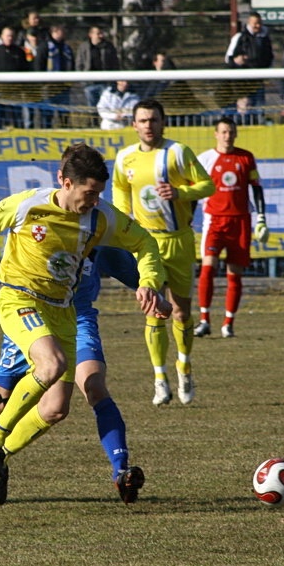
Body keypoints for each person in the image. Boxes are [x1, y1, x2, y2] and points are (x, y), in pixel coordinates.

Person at [0, 144, 167, 498]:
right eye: (88, 193)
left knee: (55, 407)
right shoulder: (29, 204)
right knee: (41, 372)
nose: (94, 200)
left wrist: (149, 282)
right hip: (20, 300)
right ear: (64, 182)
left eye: (98, 193)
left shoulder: (100, 218)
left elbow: (144, 242)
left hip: (62, 312)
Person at [0, 246, 171, 504]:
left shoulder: (100, 225)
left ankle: (121, 471)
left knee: (73, 398)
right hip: (32, 315)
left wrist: (154, 293)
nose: (89, 204)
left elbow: (133, 269)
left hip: (78, 319)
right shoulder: (43, 220)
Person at [112, 99, 215, 406]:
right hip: (146, 245)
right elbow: (119, 189)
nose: (148, 125)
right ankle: (159, 377)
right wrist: (122, 219)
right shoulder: (124, 158)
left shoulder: (178, 153)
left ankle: (184, 366)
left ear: (162, 122)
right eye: (142, 120)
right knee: (153, 310)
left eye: (153, 120)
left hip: (179, 240)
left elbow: (208, 186)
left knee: (181, 311)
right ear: (134, 125)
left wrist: (181, 192)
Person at [194, 118, 267, 340]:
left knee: (234, 274)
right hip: (214, 221)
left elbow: (256, 188)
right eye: (224, 132)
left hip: (240, 222)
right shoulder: (205, 159)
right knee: (207, 268)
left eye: (231, 132)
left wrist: (262, 217)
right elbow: (192, 191)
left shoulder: (246, 157)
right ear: (216, 134)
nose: (228, 136)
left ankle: (228, 323)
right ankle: (204, 320)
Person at [0, 26, 30, 129]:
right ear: (2, 37)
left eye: (12, 36)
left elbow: (25, 69)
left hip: (15, 92)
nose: (10, 38)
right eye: (8, 35)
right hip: (0, 91)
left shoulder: (19, 52)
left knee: (17, 117)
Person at [224, 12, 274, 107]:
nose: (257, 26)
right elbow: (228, 59)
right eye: (255, 23)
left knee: (259, 108)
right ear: (249, 23)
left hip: (258, 82)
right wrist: (237, 61)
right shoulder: (240, 37)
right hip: (242, 83)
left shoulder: (265, 39)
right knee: (244, 110)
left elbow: (269, 57)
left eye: (259, 23)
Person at [34, 24, 75, 128]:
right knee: (47, 114)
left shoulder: (66, 48)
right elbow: (39, 65)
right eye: (61, 31)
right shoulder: (45, 46)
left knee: (64, 114)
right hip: (49, 87)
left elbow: (72, 64)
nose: (64, 33)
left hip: (63, 87)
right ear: (55, 32)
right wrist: (43, 83)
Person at [75, 26, 120, 108]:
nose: (101, 36)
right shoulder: (83, 47)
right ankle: (93, 121)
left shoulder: (108, 46)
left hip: (105, 83)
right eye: (98, 33)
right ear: (91, 34)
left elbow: (115, 64)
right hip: (89, 84)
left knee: (106, 107)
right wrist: (83, 81)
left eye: (101, 33)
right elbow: (79, 64)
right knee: (92, 109)